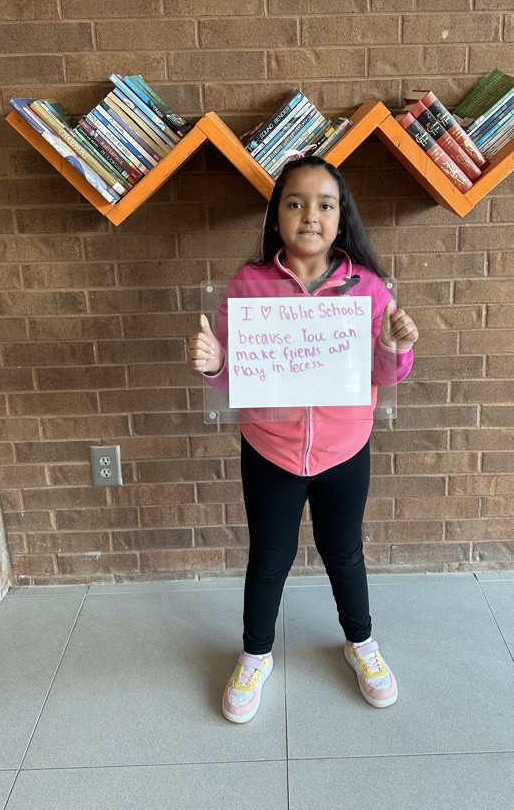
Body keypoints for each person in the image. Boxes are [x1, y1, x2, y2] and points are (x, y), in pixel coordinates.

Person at [186, 155, 417, 723]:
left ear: (341, 218)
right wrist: (216, 364)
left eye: (324, 204)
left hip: (344, 448)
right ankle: (255, 654)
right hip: (271, 448)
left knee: (344, 552)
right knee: (269, 557)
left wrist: (395, 346)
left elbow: (386, 376)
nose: (309, 215)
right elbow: (234, 373)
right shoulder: (249, 284)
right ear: (275, 217)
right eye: (295, 203)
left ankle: (361, 642)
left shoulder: (366, 287)